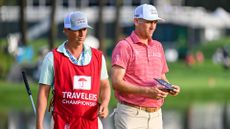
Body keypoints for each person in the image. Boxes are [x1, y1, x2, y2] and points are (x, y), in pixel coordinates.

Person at [36, 11, 111, 129]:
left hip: (91, 122)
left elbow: (105, 85)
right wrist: (39, 124)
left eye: (84, 29)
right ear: (66, 30)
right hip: (62, 122)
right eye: (77, 30)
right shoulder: (52, 58)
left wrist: (105, 104)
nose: (82, 34)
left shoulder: (98, 57)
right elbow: (43, 92)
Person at [111, 4, 180, 129]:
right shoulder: (124, 46)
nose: (153, 26)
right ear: (136, 21)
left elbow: (162, 77)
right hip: (131, 115)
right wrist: (147, 91)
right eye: (148, 22)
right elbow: (116, 82)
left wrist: (169, 87)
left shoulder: (158, 46)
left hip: (156, 116)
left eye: (155, 22)